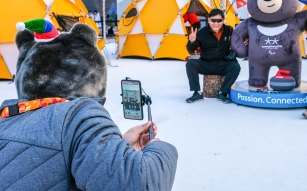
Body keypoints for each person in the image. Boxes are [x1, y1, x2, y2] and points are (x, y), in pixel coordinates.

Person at [0, 19, 178, 190]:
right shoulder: (79, 115)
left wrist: (116, 146)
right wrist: (157, 147)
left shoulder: (6, 115)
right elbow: (143, 183)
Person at [185, 8, 240, 104]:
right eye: (213, 20)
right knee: (190, 63)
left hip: (222, 63)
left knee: (235, 66)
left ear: (223, 21)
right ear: (209, 20)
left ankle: (223, 93)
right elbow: (190, 49)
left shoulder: (229, 30)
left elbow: (239, 38)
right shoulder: (202, 32)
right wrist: (191, 41)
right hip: (206, 63)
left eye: (219, 20)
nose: (216, 23)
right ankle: (196, 92)